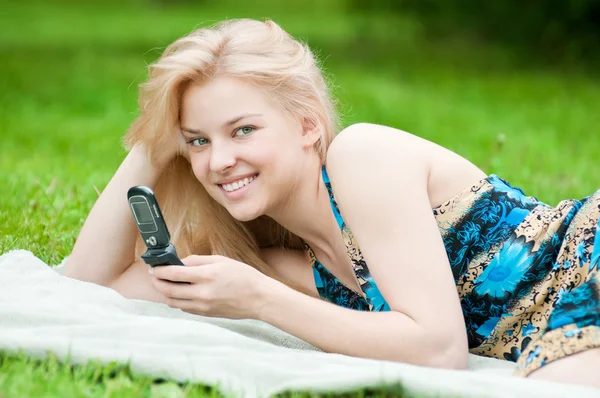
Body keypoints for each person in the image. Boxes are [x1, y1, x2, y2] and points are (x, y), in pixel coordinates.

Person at [63, 18, 600, 389]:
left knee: (555, 386)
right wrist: (154, 144)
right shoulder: (283, 267)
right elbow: (87, 283)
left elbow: (438, 350)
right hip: (557, 331)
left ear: (307, 126)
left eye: (243, 130)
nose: (218, 160)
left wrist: (258, 298)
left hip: (587, 258)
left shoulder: (362, 158)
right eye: (198, 141)